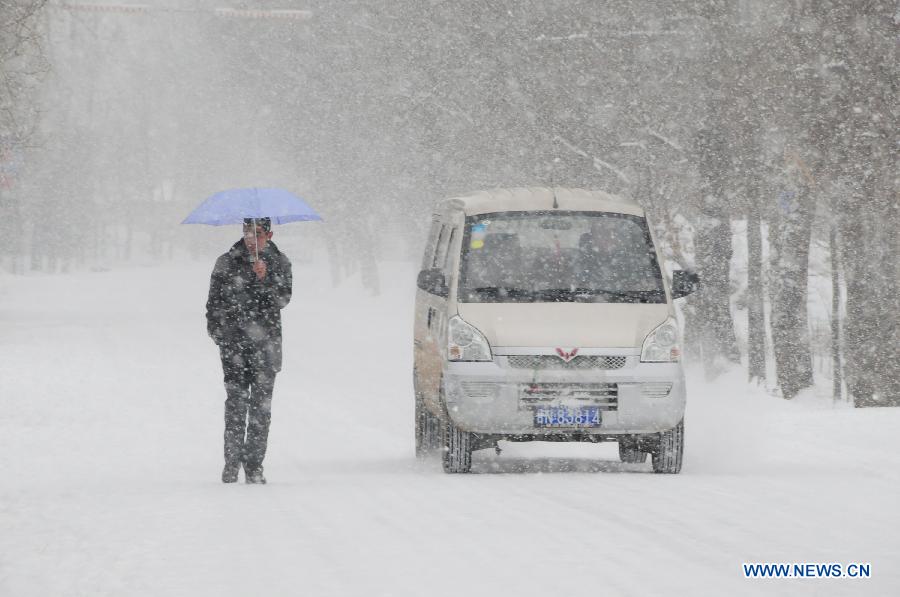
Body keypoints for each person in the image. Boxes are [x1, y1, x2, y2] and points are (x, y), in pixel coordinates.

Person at [206, 218, 292, 484]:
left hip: (266, 346)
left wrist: (265, 278)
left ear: (269, 234)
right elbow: (213, 303)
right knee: (236, 403)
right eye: (246, 232)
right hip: (235, 346)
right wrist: (220, 334)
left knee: (261, 408)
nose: (250, 238)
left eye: (257, 233)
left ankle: (254, 465)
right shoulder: (227, 261)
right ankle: (231, 462)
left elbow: (282, 299)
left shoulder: (280, 262)